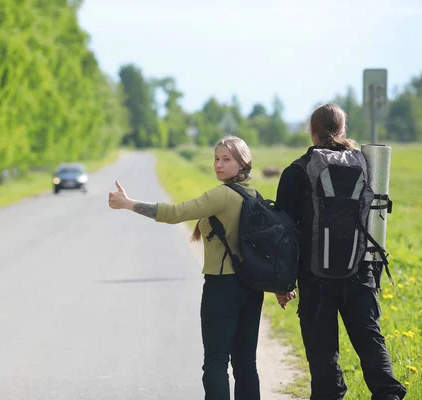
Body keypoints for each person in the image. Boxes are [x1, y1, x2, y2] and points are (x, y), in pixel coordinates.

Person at [108, 136, 263, 400]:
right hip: (251, 287)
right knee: (246, 364)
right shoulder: (254, 195)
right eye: (216, 158)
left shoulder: (223, 194)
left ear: (243, 163)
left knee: (215, 362)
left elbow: (175, 213)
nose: (219, 164)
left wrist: (128, 203)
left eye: (227, 159)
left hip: (222, 285)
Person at [274, 104, 407, 400]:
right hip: (360, 272)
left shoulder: (297, 170)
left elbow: (284, 234)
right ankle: (389, 395)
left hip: (314, 276)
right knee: (370, 342)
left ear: (312, 131)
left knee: (323, 355)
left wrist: (283, 284)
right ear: (342, 129)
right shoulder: (367, 164)